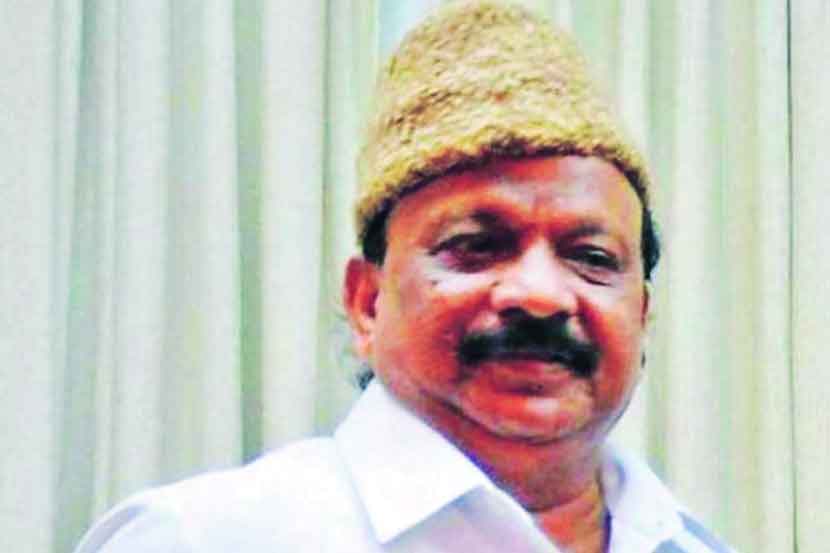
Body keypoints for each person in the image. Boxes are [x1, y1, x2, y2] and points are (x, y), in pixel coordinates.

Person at [76, 1, 736, 552]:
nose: (540, 294)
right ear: (366, 302)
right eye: (476, 247)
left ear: (642, 314)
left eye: (591, 257)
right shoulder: (204, 538)